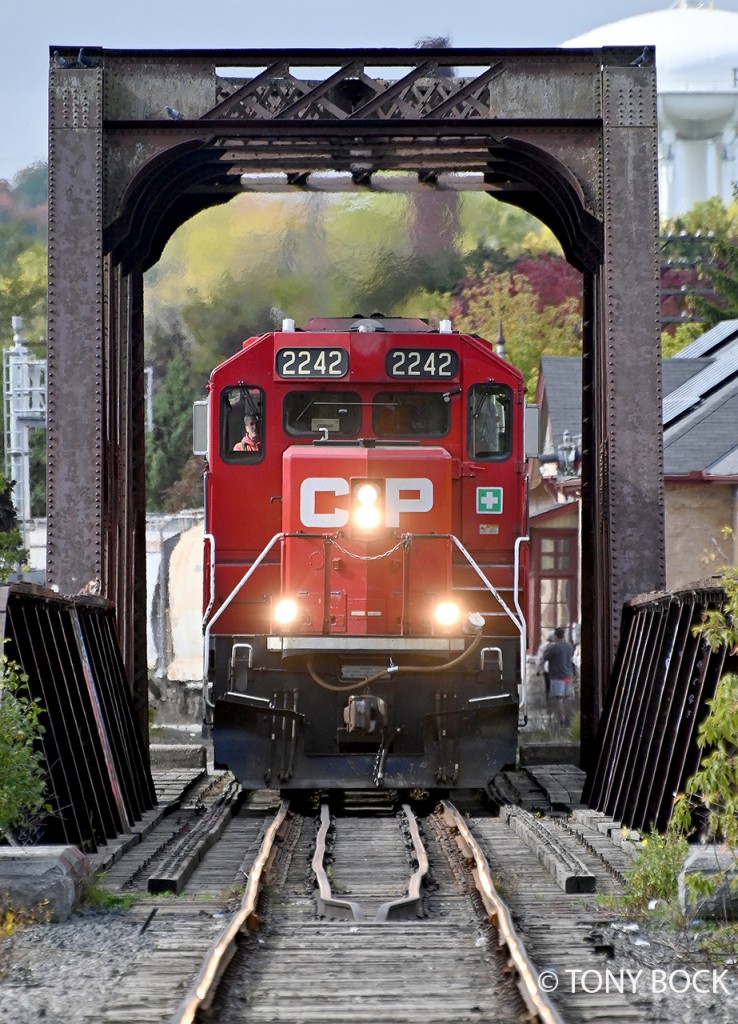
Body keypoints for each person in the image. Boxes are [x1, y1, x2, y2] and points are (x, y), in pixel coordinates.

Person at [539, 626, 575, 726]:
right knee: (567, 697)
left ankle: (561, 720)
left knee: (558, 698)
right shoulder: (569, 646)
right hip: (568, 674)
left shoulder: (554, 647)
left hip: (557, 676)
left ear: (555, 635)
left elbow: (545, 657)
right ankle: (569, 719)